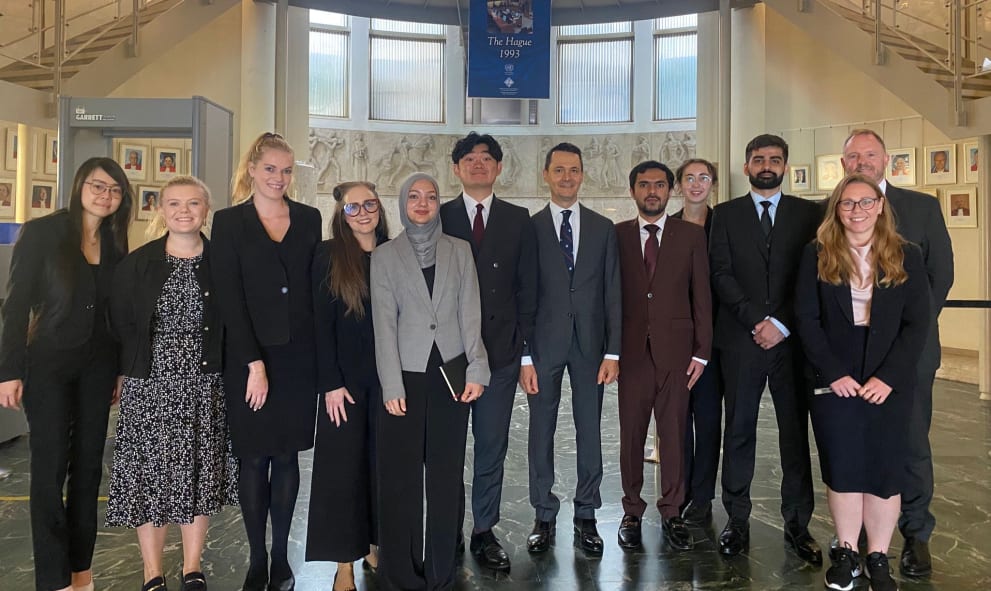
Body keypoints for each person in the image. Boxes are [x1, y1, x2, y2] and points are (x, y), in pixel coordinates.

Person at [0, 157, 132, 591]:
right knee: (49, 468)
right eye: (98, 186)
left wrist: (119, 370)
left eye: (115, 190)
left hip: (98, 367)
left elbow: (116, 314)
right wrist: (8, 371)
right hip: (48, 365)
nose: (105, 196)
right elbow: (16, 305)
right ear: (79, 186)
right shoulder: (43, 232)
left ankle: (81, 573)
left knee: (89, 469)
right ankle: (53, 580)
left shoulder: (115, 241)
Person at [795, 174, 930, 591]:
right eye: (848, 203)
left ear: (880, 206)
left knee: (884, 468)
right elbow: (806, 318)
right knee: (843, 466)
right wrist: (833, 372)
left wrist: (888, 377)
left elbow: (917, 324)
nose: (857, 210)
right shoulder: (817, 253)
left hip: (889, 372)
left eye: (866, 202)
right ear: (836, 209)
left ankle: (878, 557)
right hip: (834, 372)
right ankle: (848, 552)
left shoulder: (907, 254)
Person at [106, 176, 238, 591]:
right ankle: (152, 570)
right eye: (175, 203)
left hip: (204, 384)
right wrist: (122, 372)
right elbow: (120, 322)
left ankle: (192, 566)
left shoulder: (222, 262)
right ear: (161, 210)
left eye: (193, 203)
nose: (184, 211)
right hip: (150, 383)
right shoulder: (138, 263)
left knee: (198, 473)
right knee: (150, 477)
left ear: (206, 209)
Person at [211, 132, 322, 591]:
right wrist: (254, 365)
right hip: (247, 358)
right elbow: (228, 299)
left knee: (287, 456)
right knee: (253, 459)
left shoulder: (310, 218)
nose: (279, 177)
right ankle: (257, 557)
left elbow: (315, 289)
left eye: (286, 170)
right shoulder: (229, 222)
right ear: (253, 169)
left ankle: (281, 558)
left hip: (298, 359)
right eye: (271, 168)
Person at [840, 129, 953, 577]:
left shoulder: (922, 207)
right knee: (854, 443)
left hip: (910, 351)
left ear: (886, 159)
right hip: (851, 355)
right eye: (853, 156)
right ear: (844, 163)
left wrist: (905, 333)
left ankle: (916, 534)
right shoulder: (833, 210)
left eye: (870, 154)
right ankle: (860, 538)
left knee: (910, 441)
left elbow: (940, 275)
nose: (862, 162)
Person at [371, 172, 489, 591]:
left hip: (451, 375)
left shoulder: (459, 250)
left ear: (440, 204)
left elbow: (470, 312)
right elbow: (383, 325)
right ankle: (400, 571)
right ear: (403, 203)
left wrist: (477, 368)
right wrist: (391, 385)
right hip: (404, 376)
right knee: (401, 476)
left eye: (431, 197)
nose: (422, 203)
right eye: (414, 197)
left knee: (445, 474)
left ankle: (441, 570)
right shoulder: (385, 256)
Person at [709, 134, 822, 563]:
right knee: (739, 430)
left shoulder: (809, 214)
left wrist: (781, 323)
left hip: (793, 343)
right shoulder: (725, 215)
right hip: (742, 340)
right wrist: (757, 321)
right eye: (759, 159)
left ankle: (798, 523)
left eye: (775, 159)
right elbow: (720, 273)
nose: (767, 166)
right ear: (746, 166)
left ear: (786, 167)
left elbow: (815, 275)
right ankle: (736, 520)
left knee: (794, 435)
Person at [439, 132, 537, 572]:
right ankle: (447, 528)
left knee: (491, 445)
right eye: (469, 159)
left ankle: (484, 529)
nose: (478, 164)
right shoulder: (438, 215)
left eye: (486, 158)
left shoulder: (519, 219)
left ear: (499, 168)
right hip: (448, 358)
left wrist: (526, 353)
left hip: (501, 354)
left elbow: (528, 290)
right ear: (456, 168)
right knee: (447, 447)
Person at [519, 143, 621, 557]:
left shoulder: (602, 228)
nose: (566, 177)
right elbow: (523, 294)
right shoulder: (530, 228)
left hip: (591, 347)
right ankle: (543, 514)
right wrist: (525, 355)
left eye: (573, 170)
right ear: (545, 174)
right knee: (540, 430)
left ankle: (587, 513)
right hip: (543, 346)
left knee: (590, 429)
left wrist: (613, 351)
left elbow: (612, 291)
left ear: (582, 174)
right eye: (559, 170)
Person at [614, 160, 711, 552]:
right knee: (631, 434)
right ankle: (631, 510)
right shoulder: (617, 235)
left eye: (659, 184)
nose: (651, 191)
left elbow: (701, 296)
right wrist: (610, 350)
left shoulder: (691, 236)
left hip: (677, 353)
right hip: (631, 352)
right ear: (632, 191)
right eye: (643, 184)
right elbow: (609, 296)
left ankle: (672, 510)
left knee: (673, 433)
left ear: (671, 190)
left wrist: (702, 353)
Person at [305, 181, 389, 591]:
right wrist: (331, 384)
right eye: (353, 207)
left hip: (389, 381)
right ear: (341, 213)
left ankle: (373, 544)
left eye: (369, 204)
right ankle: (344, 564)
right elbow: (319, 326)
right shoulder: (328, 255)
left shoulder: (393, 252)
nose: (363, 212)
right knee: (343, 472)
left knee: (380, 467)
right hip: (345, 384)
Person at [672, 158, 723, 527]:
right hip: (675, 340)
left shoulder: (725, 226)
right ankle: (679, 492)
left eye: (703, 177)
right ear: (679, 185)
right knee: (676, 420)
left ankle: (702, 498)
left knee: (707, 420)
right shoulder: (668, 226)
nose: (696, 184)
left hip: (715, 340)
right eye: (689, 178)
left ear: (712, 184)